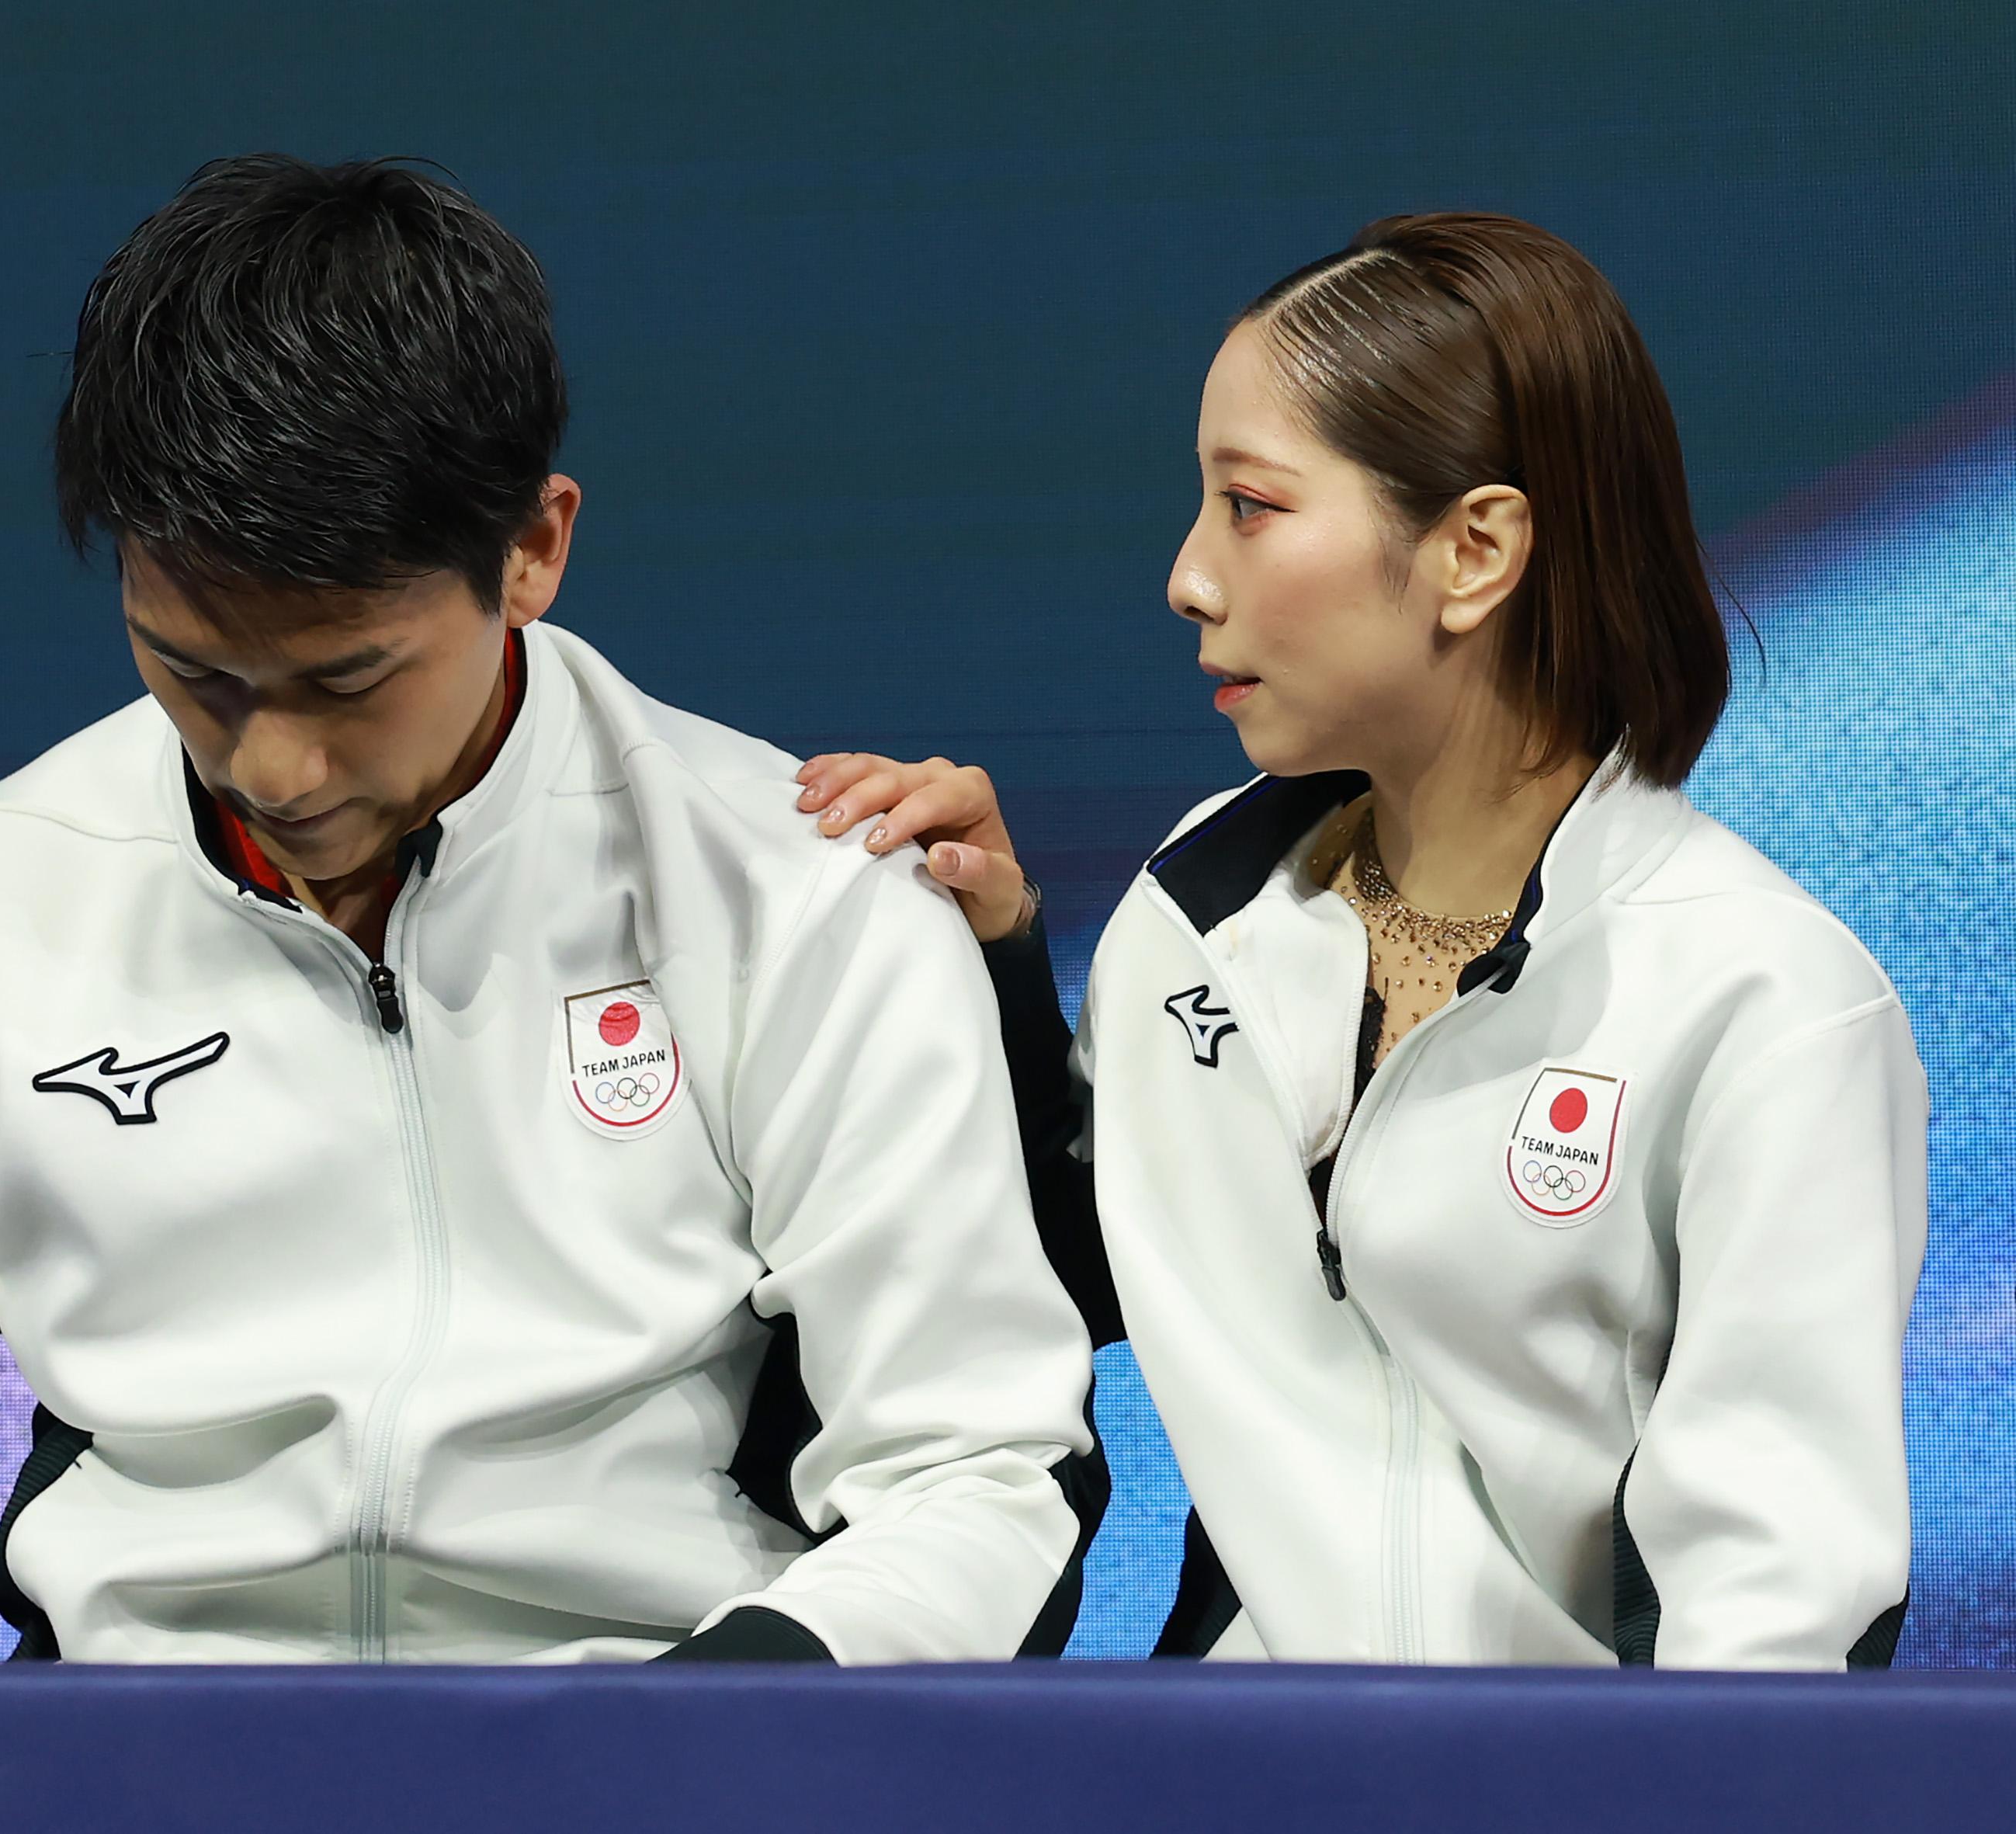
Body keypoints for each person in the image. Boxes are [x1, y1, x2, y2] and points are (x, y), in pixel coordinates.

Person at [0, 155, 1100, 1666]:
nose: (274, 762)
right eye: (194, 670)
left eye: (348, 678)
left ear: (532, 549)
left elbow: (974, 1464)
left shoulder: (795, 888)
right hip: (118, 1764)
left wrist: (707, 1742)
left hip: (656, 1751)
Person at [803, 213, 1925, 1668]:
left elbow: (1781, 1618)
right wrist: (1001, 952)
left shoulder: (1765, 1003)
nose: (1187, 578)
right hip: (1213, 1778)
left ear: (1473, 551)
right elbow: (1066, 1277)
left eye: (1249, 506)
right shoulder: (1187, 916)